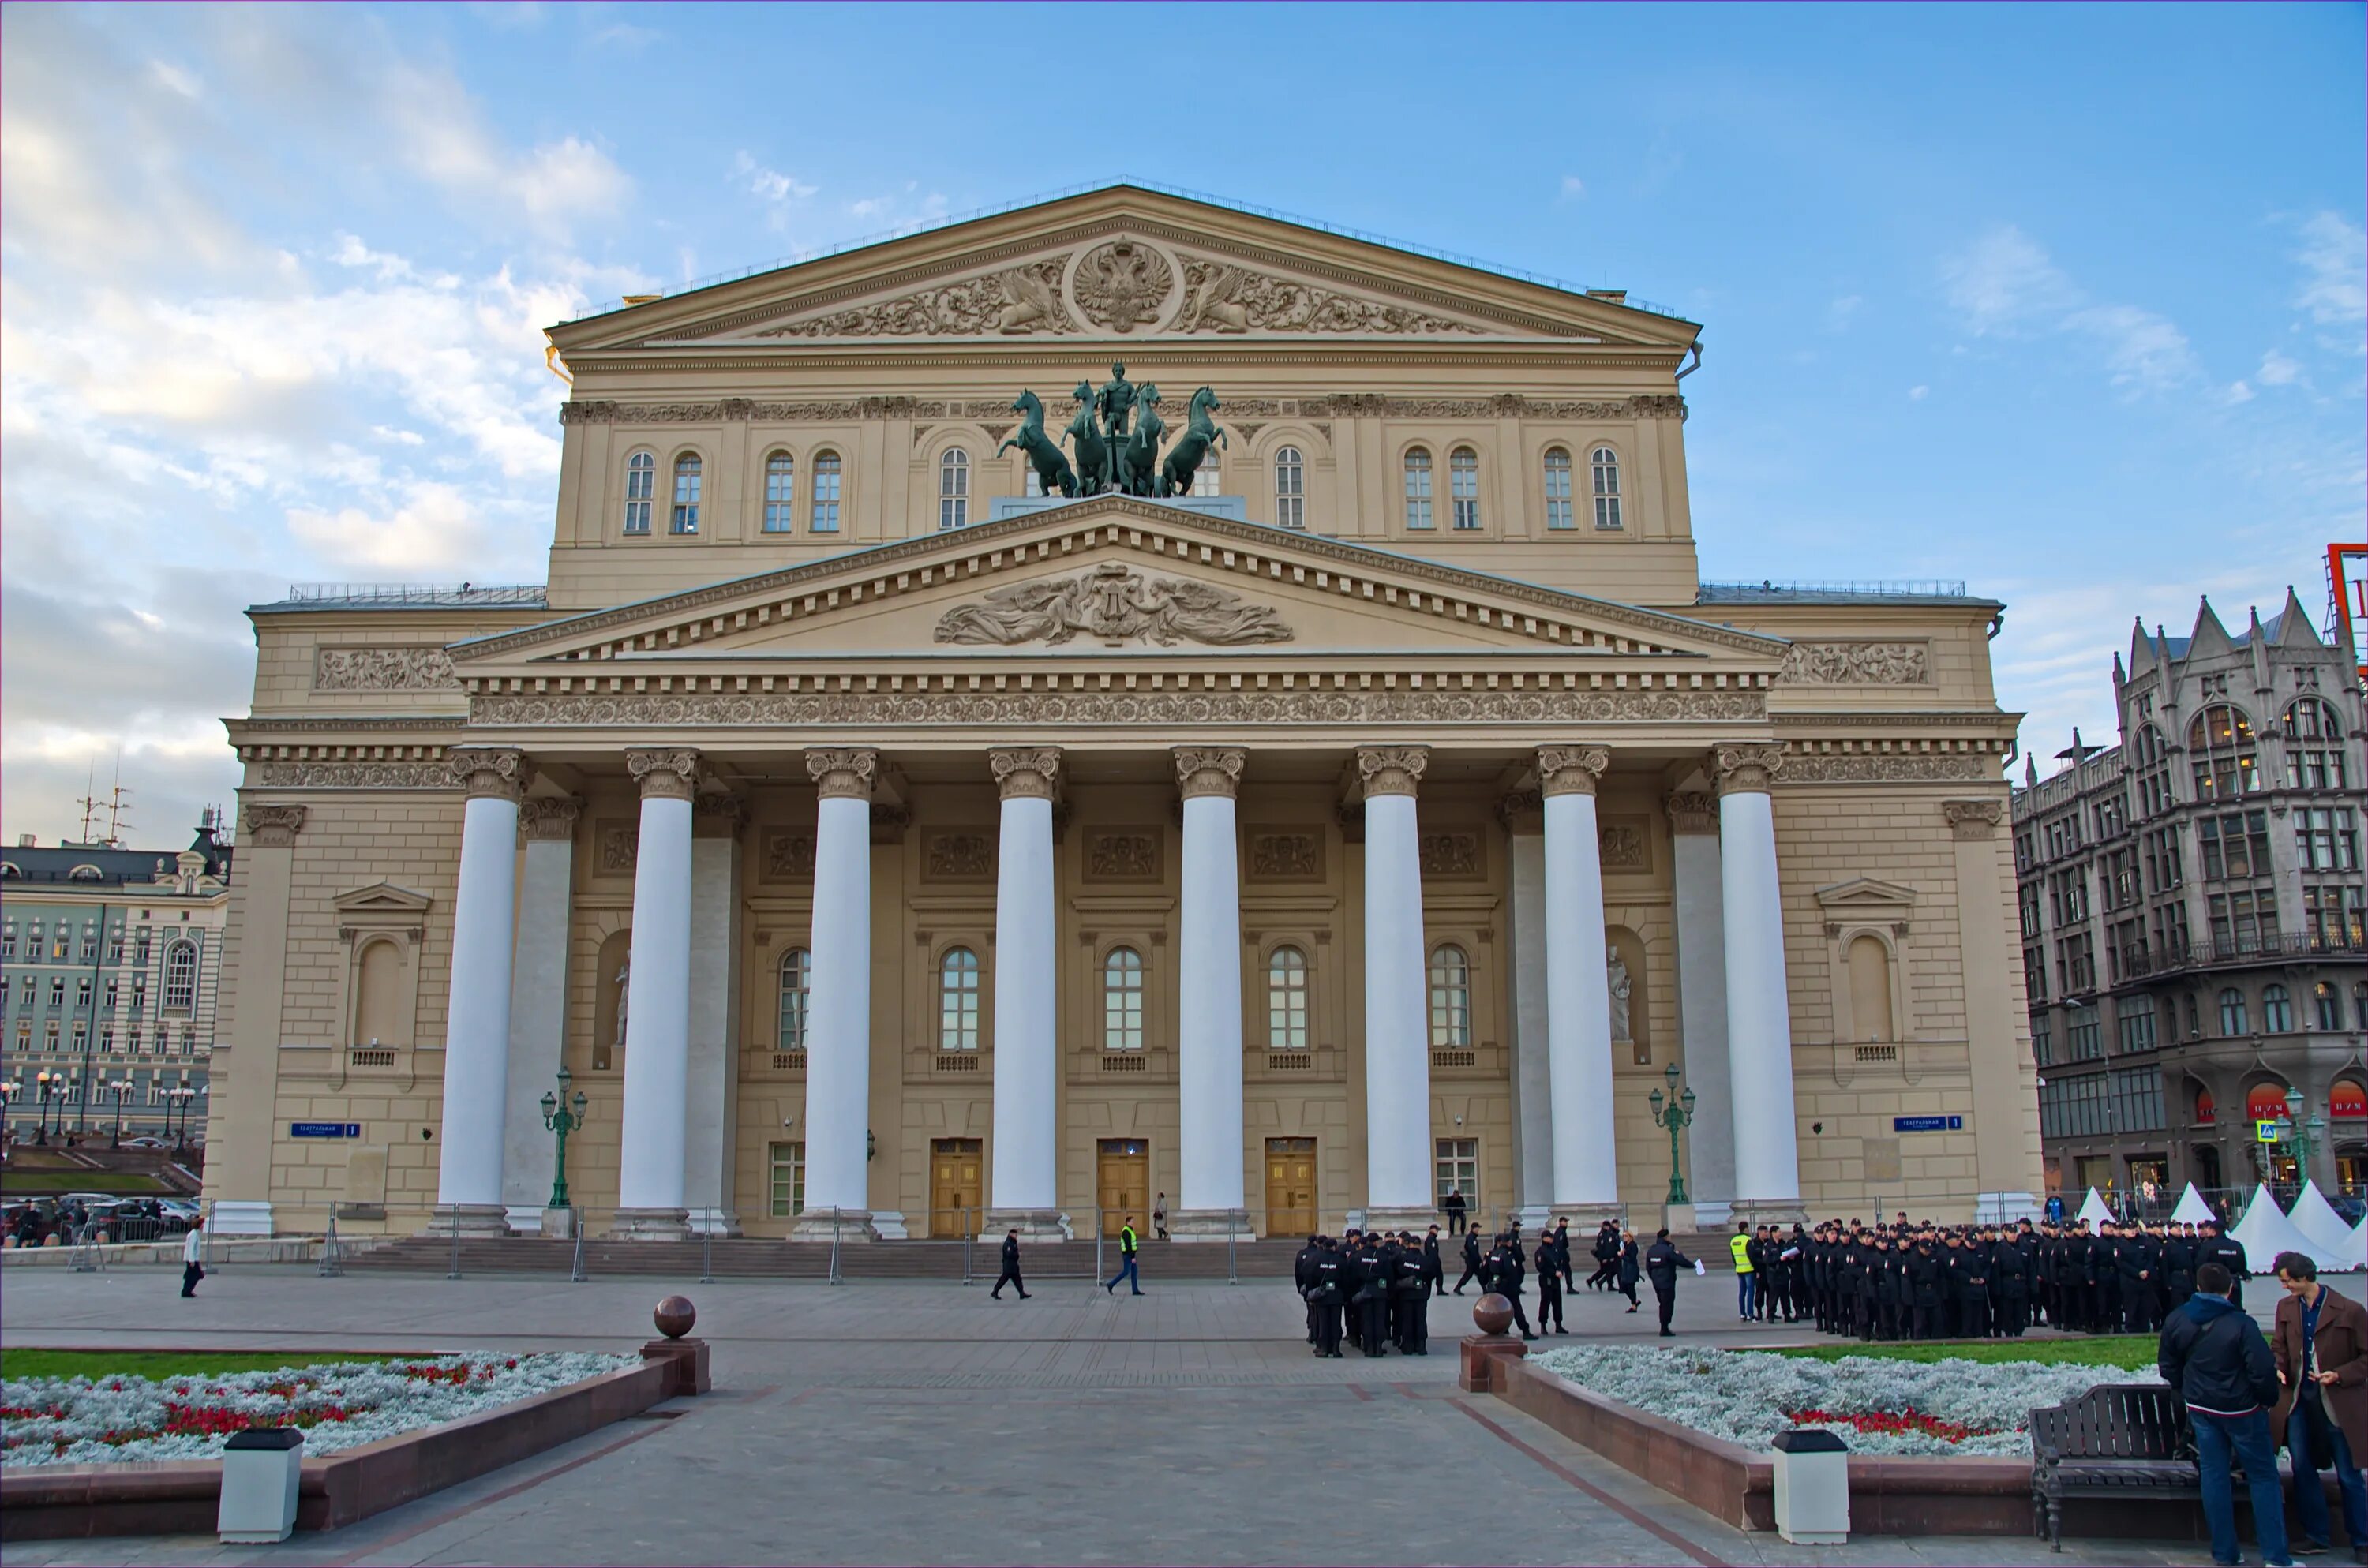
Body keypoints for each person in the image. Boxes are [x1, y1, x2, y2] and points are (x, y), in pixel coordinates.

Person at [2160, 1261, 2293, 1568]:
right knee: (2262, 1477)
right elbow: (2261, 1370)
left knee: (2214, 1476)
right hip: (2242, 1410)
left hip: (2202, 1411)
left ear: (2197, 1288)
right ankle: (2276, 1556)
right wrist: (2266, 1400)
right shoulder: (2242, 1324)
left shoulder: (2178, 1319)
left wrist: (2188, 1390)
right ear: (2230, 1289)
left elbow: (2168, 1365)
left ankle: (2225, 1553)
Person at [2270, 1252, 2368, 1563]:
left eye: (2287, 1281)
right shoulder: (2286, 1308)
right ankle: (2316, 1536)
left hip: (2336, 1401)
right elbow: (2280, 1347)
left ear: (2303, 1278)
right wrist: (2278, 1366)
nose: (2284, 1287)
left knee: (2349, 1474)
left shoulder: (2350, 1311)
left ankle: (2362, 1539)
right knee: (2302, 1467)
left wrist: (2340, 1374)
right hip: (2300, 1400)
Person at [1482, 1232, 1537, 1341]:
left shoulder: (1493, 1254)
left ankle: (1502, 1329)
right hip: (1509, 1287)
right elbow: (1510, 1270)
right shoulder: (1507, 1254)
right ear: (1508, 1242)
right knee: (1517, 1309)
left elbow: (1485, 1270)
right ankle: (1525, 1330)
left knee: (1500, 1309)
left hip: (1497, 1286)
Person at [1646, 1229, 1692, 1337]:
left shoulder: (1652, 1250)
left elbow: (1648, 1266)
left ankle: (1664, 1326)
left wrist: (1653, 1277)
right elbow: (1680, 1261)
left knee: (1662, 1303)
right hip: (1667, 1280)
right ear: (1666, 1237)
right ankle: (1664, 1327)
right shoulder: (1668, 1250)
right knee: (1667, 1304)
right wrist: (1692, 1265)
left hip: (1656, 1282)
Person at [1306, 1237, 1345, 1358]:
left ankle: (1323, 1348)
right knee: (1336, 1322)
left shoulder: (1316, 1258)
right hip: (1337, 1295)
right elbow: (1347, 1278)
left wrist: (1311, 1292)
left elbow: (1310, 1276)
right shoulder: (1340, 1260)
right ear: (1334, 1247)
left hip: (1321, 1295)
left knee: (1323, 1323)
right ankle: (1335, 1349)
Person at [1535, 1231, 1567, 1334]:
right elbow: (1541, 1267)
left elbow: (1560, 1262)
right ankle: (1543, 1325)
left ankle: (1558, 1325)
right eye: (1549, 1237)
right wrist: (1554, 1273)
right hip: (1546, 1280)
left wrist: (1561, 1271)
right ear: (1544, 1238)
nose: (1552, 1239)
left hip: (1555, 1280)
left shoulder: (1555, 1250)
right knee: (1545, 1302)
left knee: (1557, 1302)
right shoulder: (1540, 1251)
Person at [1103, 1216, 1143, 1296]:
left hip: (1131, 1254)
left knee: (1134, 1272)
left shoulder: (1130, 1231)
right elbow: (1128, 1245)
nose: (1133, 1223)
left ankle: (1135, 1290)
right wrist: (1132, 1257)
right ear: (1128, 1222)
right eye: (1132, 1221)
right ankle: (1111, 1284)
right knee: (1126, 1272)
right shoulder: (1126, 1231)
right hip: (1128, 1255)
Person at [990, 1228, 1030, 1300]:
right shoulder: (1008, 1243)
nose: (1016, 1236)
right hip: (1009, 1265)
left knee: (1017, 1279)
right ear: (1011, 1234)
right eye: (1015, 1234)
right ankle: (995, 1291)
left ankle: (1022, 1293)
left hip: (1013, 1265)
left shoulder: (1013, 1242)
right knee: (1004, 1279)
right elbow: (1009, 1254)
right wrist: (1017, 1254)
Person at [1729, 1223, 1756, 1323]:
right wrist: (1755, 1268)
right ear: (1745, 1229)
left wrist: (1737, 1265)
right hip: (1748, 1268)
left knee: (1742, 1292)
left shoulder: (1733, 1241)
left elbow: (1733, 1257)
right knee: (1750, 1292)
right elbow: (1751, 1255)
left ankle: (1742, 1314)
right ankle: (1750, 1313)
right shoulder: (1747, 1240)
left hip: (1739, 1269)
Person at [1614, 1229, 1642, 1312]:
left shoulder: (1633, 1246)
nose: (1624, 1237)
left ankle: (1634, 1305)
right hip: (1626, 1268)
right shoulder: (1625, 1245)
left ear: (1631, 1237)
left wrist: (1621, 1256)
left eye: (1626, 1236)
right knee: (1623, 1287)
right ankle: (1634, 1302)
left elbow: (1632, 1258)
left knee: (1630, 1287)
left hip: (1632, 1269)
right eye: (1623, 1236)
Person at [1453, 1226, 1485, 1294]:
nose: (1478, 1230)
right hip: (1472, 1261)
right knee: (1469, 1275)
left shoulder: (1473, 1237)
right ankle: (1458, 1288)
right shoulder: (1471, 1238)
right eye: (1477, 1228)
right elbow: (1472, 1250)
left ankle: (1485, 1288)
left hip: (1473, 1260)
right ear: (1474, 1228)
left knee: (1479, 1275)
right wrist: (1478, 1259)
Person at [179, 1218, 204, 1298]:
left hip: (192, 1258)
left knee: (191, 1275)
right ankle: (187, 1290)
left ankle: (187, 1290)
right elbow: (191, 1248)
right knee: (197, 1274)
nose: (203, 1226)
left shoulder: (195, 1234)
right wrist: (192, 1260)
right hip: (192, 1259)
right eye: (202, 1224)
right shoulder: (194, 1235)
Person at [1423, 1225, 1447, 1297]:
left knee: (1439, 1275)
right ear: (1432, 1230)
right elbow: (1432, 1253)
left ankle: (1439, 1289)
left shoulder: (1432, 1238)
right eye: (1436, 1230)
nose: (1437, 1232)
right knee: (1432, 1276)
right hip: (1433, 1262)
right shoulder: (1431, 1239)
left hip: (1433, 1261)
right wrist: (1435, 1262)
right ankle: (1436, 1289)